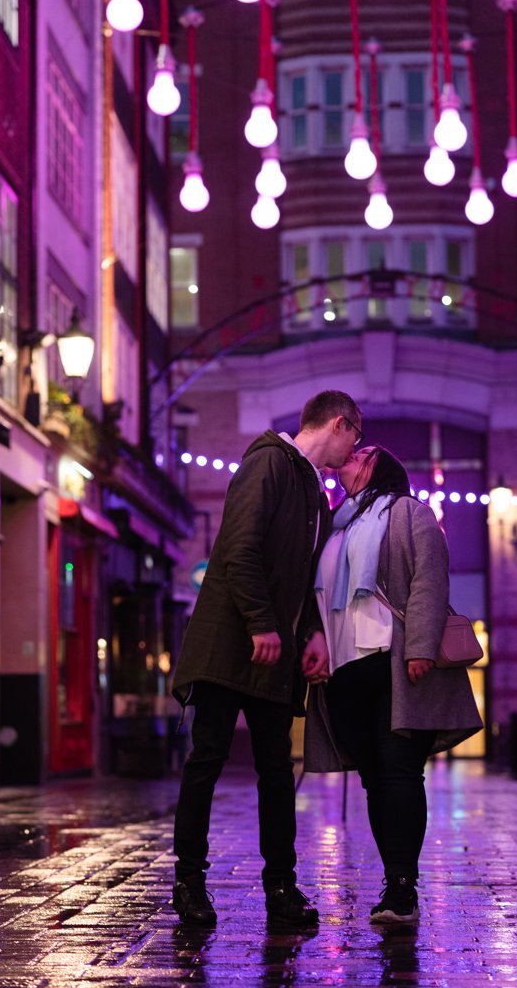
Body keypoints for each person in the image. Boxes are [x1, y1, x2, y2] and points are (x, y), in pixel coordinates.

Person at [171, 390, 363, 928]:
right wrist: (260, 622)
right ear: (339, 424)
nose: (354, 450)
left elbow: (305, 582)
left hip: (274, 655)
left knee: (277, 771)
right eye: (356, 437)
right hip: (227, 645)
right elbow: (238, 548)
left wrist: (312, 633)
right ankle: (188, 883)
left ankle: (281, 888)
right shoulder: (266, 463)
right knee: (206, 762)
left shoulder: (314, 493)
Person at [303, 445, 482, 924]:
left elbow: (429, 580)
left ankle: (402, 888)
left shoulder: (408, 514)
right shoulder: (333, 524)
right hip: (343, 668)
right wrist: (313, 641)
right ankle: (394, 879)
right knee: (374, 780)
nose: (350, 454)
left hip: (395, 662)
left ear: (376, 468)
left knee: (399, 772)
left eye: (361, 452)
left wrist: (421, 646)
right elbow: (314, 597)